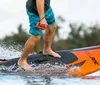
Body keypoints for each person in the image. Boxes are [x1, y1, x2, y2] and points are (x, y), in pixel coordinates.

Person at [18, 0, 61, 72]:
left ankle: (47, 50)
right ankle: (22, 60)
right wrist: (42, 18)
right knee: (36, 36)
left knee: (52, 27)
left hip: (46, 8)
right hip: (35, 11)